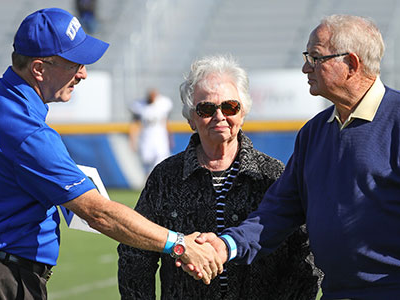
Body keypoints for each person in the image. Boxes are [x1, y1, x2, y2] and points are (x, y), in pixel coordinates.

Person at [0, 8, 221, 300]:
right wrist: (179, 244)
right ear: (38, 68)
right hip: (0, 280)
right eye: (75, 62)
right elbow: (98, 213)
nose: (83, 73)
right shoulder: (26, 130)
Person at [184, 15, 400, 299]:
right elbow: (277, 212)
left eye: (315, 57)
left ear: (351, 63)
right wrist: (227, 245)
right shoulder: (313, 133)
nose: (305, 67)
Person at [118, 55, 319, 299]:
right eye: (206, 109)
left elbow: (305, 251)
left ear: (243, 112)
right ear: (191, 119)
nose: (220, 116)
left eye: (230, 107)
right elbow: (135, 252)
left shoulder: (271, 174)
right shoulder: (166, 177)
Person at [129, 88, 173, 175]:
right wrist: (132, 140)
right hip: (146, 139)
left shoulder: (163, 105)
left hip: (160, 139)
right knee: (147, 166)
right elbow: (135, 124)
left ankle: (160, 186)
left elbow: (166, 122)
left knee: (161, 163)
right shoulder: (140, 107)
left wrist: (170, 138)